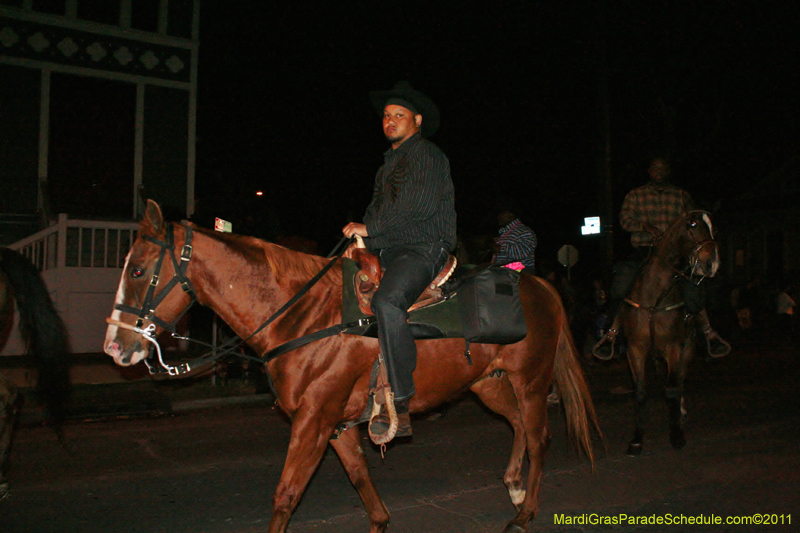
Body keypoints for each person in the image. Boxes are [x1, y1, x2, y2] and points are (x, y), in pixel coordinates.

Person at [342, 81, 457, 442]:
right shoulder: (386, 167)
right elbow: (376, 211)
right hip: (390, 250)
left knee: (388, 301)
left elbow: (418, 208)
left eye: (399, 115)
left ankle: (401, 401)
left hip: (424, 247)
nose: (389, 120)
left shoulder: (427, 155)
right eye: (387, 116)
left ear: (417, 121)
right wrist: (361, 243)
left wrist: (370, 227)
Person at [593, 156, 730, 359]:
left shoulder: (681, 196)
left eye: (663, 168)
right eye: (655, 168)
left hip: (675, 255)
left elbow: (693, 221)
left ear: (668, 171)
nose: (659, 171)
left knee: (693, 287)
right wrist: (644, 226)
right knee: (621, 285)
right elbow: (624, 219)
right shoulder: (636, 195)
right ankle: (611, 335)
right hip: (644, 249)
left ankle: (708, 333)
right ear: (649, 171)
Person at [491, 209, 537, 275]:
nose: (498, 217)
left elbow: (523, 253)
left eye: (501, 214)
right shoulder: (506, 232)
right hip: (505, 272)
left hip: (520, 274)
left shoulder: (523, 231)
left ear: (511, 216)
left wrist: (500, 248)